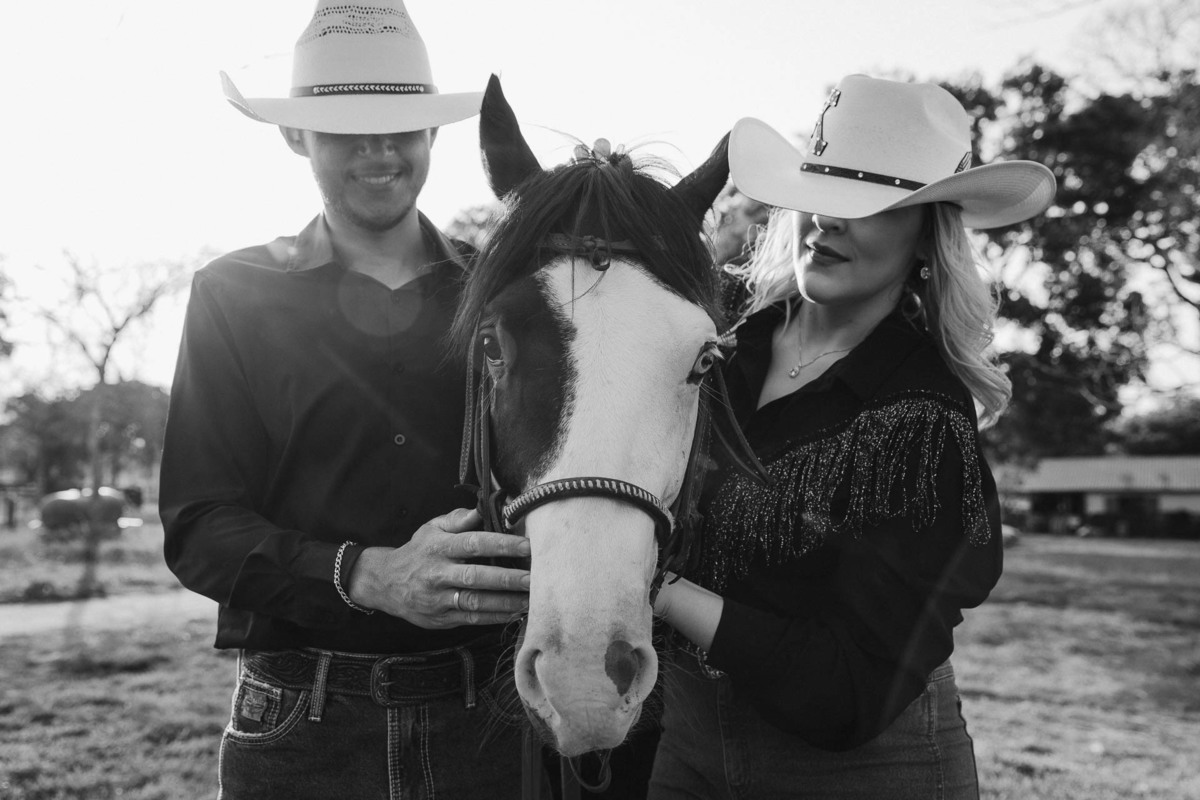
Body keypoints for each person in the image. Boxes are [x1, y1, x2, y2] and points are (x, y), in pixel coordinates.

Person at [159, 2, 532, 797]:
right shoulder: (232, 295)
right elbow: (198, 527)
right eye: (345, 127)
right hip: (302, 725)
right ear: (295, 136)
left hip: (490, 724)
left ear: (434, 133)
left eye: (400, 124)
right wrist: (367, 574)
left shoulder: (507, 297)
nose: (378, 149)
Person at [648, 74, 1056, 799]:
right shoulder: (719, 354)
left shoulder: (920, 420)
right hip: (688, 744)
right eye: (819, 195)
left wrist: (657, 589)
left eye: (864, 207)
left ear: (926, 239)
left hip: (859, 772)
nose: (827, 223)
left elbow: (847, 690)